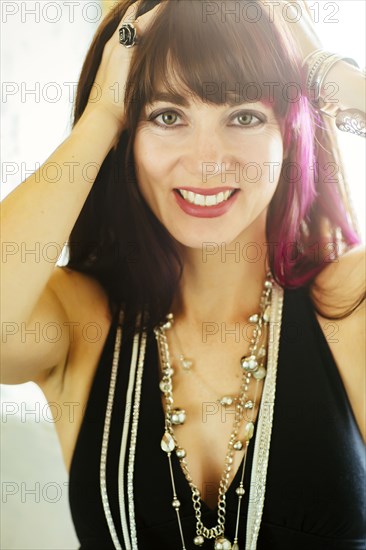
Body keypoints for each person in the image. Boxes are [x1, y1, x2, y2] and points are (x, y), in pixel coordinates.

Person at [1, 0, 365, 548]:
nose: (207, 161)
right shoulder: (81, 322)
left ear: (289, 134)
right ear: (127, 138)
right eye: (166, 116)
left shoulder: (349, 304)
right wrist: (100, 115)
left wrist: (324, 72)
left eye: (244, 116)